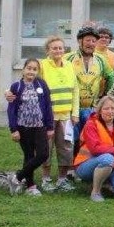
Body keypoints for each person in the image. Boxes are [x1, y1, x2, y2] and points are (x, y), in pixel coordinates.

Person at [5, 58, 54, 197]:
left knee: (43, 154)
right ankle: (31, 186)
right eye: (29, 68)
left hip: (39, 126)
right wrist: (13, 129)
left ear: (38, 72)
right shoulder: (16, 87)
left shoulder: (42, 84)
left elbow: (48, 106)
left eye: (34, 69)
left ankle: (17, 177)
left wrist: (50, 126)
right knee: (28, 155)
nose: (31, 71)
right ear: (23, 69)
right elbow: (11, 109)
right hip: (23, 127)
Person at [38, 35, 79, 192]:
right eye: (54, 48)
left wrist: (74, 113)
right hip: (47, 117)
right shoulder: (42, 66)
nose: (58, 50)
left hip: (66, 116)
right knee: (46, 147)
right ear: (48, 50)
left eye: (60, 48)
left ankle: (62, 179)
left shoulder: (69, 65)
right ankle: (46, 178)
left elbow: (75, 90)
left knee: (66, 147)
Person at [73, 95, 114, 202]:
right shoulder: (91, 124)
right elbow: (95, 149)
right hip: (85, 165)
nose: (110, 111)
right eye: (106, 108)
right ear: (100, 110)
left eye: (113, 108)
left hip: (111, 165)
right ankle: (95, 192)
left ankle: (102, 184)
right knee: (107, 158)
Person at [66, 25, 114, 150]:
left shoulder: (100, 60)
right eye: (87, 40)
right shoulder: (67, 58)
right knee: (73, 140)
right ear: (79, 41)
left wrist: (106, 96)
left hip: (91, 108)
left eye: (94, 41)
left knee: (90, 138)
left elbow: (111, 77)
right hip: (72, 108)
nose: (91, 44)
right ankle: (73, 166)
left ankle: (85, 165)